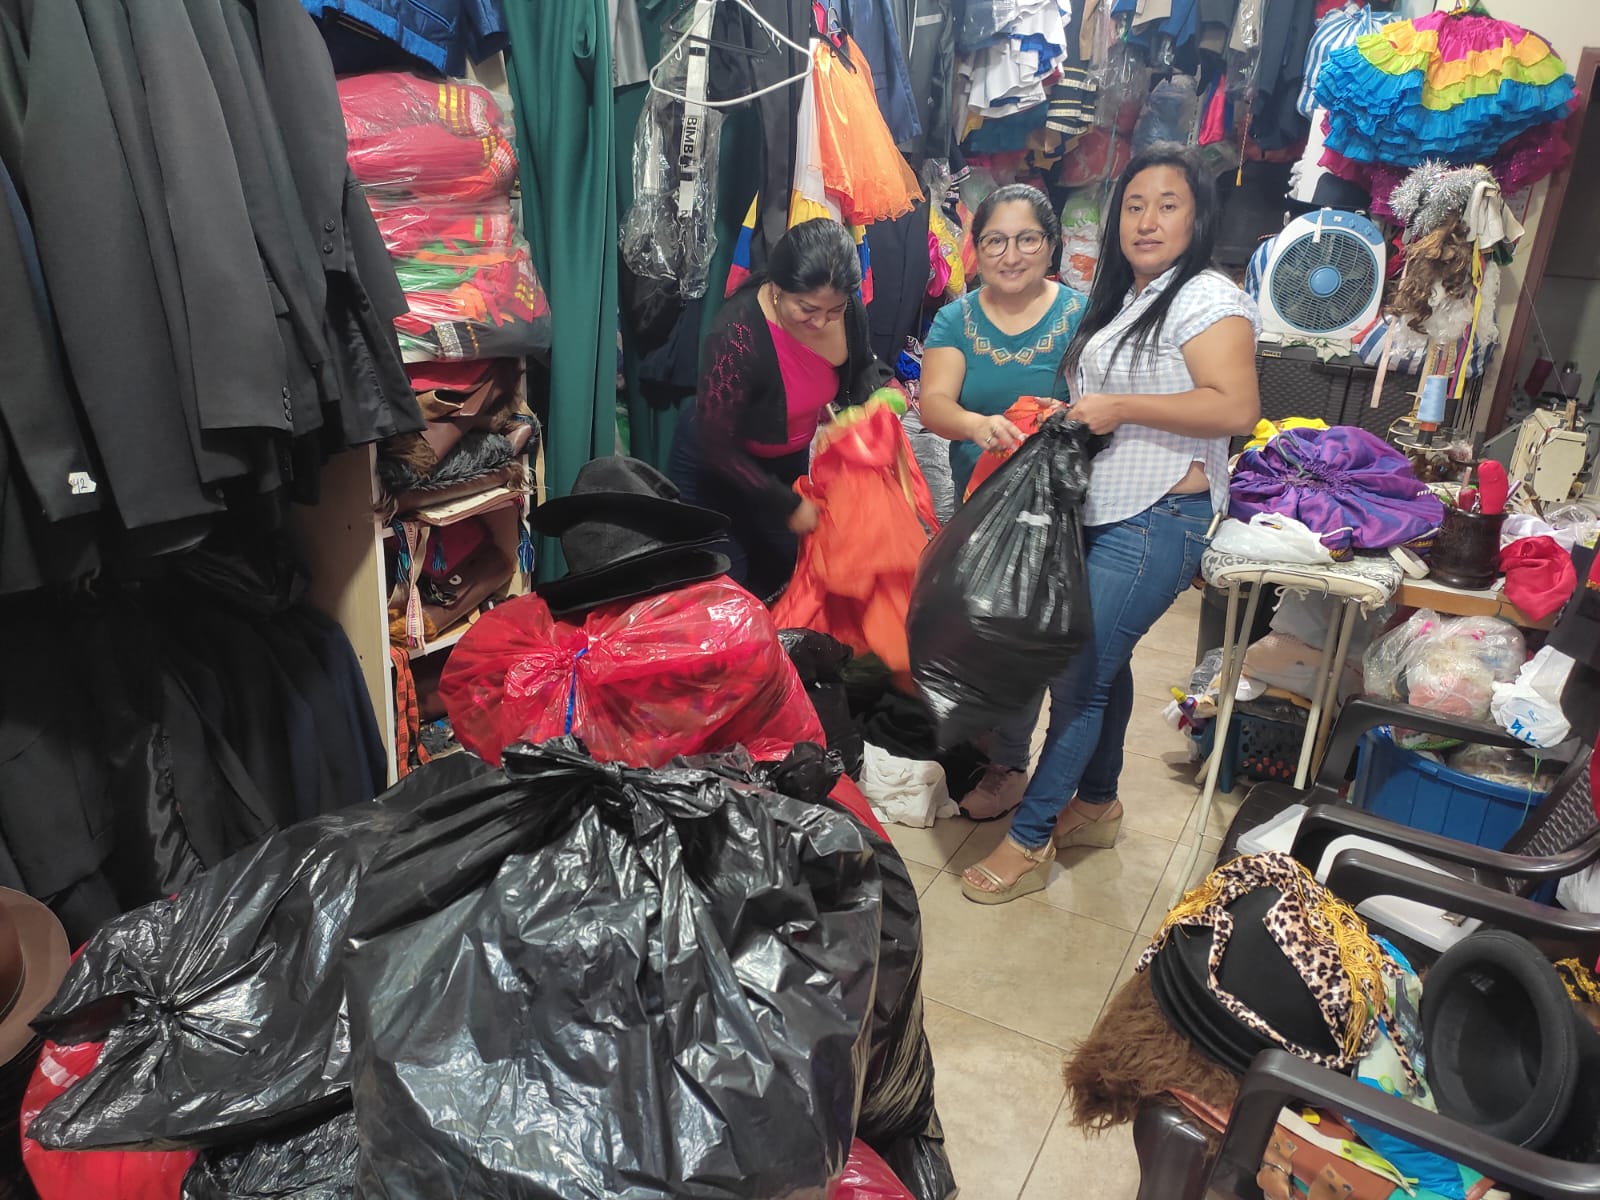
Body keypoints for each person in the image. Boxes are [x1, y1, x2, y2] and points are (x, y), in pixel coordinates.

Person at [960, 143, 1261, 903]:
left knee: (1079, 680)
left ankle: (1029, 839)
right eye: (1134, 205)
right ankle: (1096, 804)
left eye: (1167, 205)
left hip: (1160, 515)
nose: (1146, 221)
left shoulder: (1206, 298)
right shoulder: (1132, 296)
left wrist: (1119, 406)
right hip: (1107, 507)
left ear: (1198, 217)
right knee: (1106, 666)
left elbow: (1235, 406)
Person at [916, 184, 1088, 819]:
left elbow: (1104, 400)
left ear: (1051, 246)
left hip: (1058, 507)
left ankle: (1012, 764)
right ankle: (995, 738)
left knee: (1028, 631)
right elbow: (934, 404)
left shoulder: (1083, 315)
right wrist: (976, 425)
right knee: (980, 625)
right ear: (976, 248)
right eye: (995, 241)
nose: (1010, 255)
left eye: (1026, 240)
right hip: (980, 501)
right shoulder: (955, 319)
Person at [667, 218, 891, 602]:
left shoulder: (847, 309)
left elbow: (861, 371)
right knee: (729, 593)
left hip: (786, 464)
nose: (820, 321)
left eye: (833, 311)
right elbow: (717, 445)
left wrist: (874, 412)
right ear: (777, 287)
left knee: (788, 579)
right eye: (807, 308)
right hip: (717, 469)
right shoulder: (737, 333)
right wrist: (786, 503)